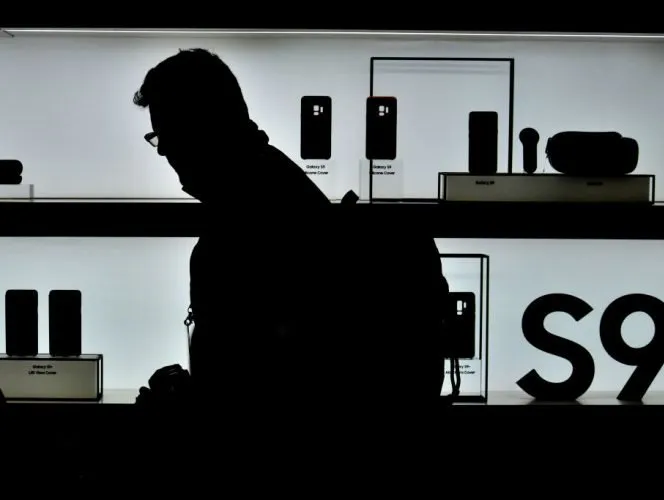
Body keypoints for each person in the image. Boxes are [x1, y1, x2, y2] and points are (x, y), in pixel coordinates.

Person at [133, 48, 449, 417]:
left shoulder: (236, 230)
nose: (164, 152)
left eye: (167, 134)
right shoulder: (279, 183)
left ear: (200, 126)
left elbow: (243, 394)